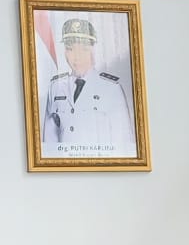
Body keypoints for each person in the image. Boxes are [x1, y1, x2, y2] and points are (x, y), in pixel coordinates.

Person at [42, 18, 134, 157]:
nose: (76, 57)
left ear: (93, 50)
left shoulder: (111, 89)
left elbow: (122, 144)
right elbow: (49, 145)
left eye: (84, 49)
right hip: (64, 167)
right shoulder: (56, 88)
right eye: (70, 49)